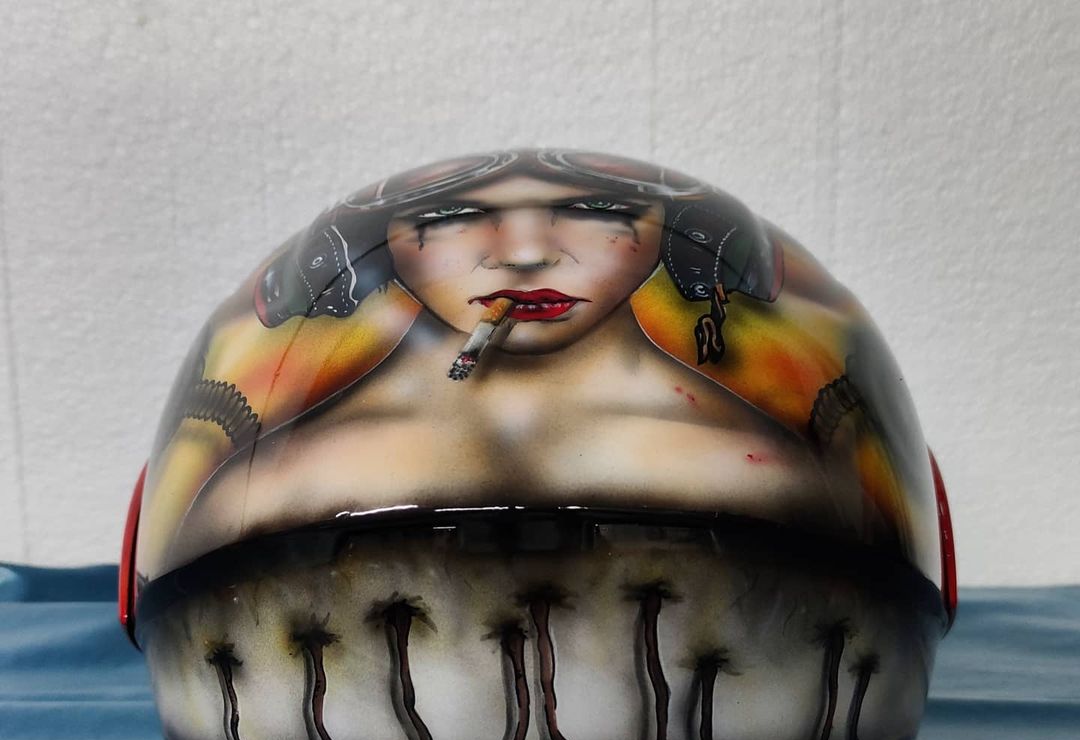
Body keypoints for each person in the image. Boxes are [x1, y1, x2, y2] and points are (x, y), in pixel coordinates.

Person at [138, 150, 907, 581]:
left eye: (597, 213)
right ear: (380, 254)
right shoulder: (277, 481)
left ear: (672, 244)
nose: (530, 251)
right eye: (452, 218)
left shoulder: (773, 474)